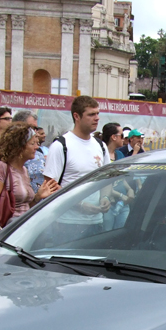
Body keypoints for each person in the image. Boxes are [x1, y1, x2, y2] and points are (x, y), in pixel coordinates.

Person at [43, 95, 108, 243]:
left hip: (96, 222)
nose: (97, 118)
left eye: (98, 113)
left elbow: (107, 180)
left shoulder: (100, 146)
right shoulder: (61, 146)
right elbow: (49, 187)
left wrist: (105, 197)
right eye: (91, 114)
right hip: (68, 223)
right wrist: (80, 205)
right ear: (76, 116)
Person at [0, 123, 59, 236]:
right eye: (32, 143)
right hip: (6, 232)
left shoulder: (24, 170)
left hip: (23, 231)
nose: (36, 147)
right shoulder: (1, 167)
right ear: (19, 146)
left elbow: (24, 206)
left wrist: (37, 197)